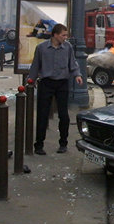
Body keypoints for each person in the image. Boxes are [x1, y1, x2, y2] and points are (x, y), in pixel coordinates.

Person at [28, 24, 83, 155]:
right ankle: (39, 145)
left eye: (66, 35)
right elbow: (35, 66)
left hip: (62, 84)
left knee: (64, 115)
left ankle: (63, 143)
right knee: (42, 114)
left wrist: (78, 75)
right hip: (46, 83)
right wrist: (30, 81)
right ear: (55, 35)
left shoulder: (68, 47)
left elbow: (73, 63)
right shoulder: (41, 48)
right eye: (63, 35)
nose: (65, 38)